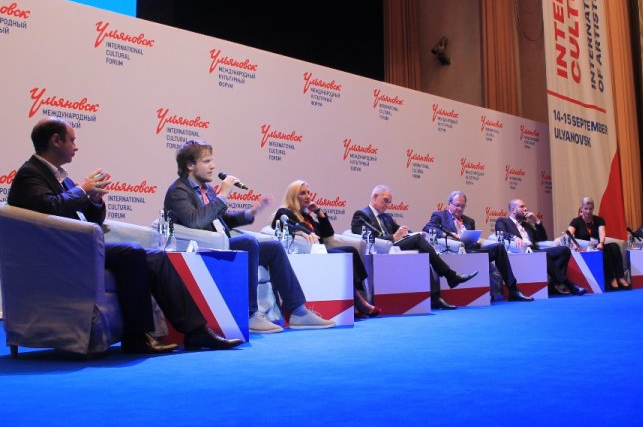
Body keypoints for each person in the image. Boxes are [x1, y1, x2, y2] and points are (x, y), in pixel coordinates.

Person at [8, 117, 242, 352]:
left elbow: (91, 219)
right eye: (72, 140)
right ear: (55, 141)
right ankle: (136, 338)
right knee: (132, 253)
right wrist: (81, 190)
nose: (76, 147)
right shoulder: (30, 173)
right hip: (56, 254)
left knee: (157, 258)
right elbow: (48, 207)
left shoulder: (63, 178)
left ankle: (196, 332)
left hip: (80, 247)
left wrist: (94, 200)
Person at [164, 140, 335, 332]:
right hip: (200, 249)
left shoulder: (207, 190)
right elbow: (194, 221)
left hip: (221, 243)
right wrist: (223, 195)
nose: (213, 166)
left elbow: (219, 220)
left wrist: (251, 212)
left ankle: (298, 312)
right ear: (190, 165)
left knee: (273, 247)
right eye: (207, 161)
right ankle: (250, 314)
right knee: (248, 243)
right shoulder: (179, 191)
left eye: (212, 160)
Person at [350, 184, 478, 310]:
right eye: (386, 201)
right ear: (374, 197)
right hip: (378, 250)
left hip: (393, 248)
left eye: (390, 202)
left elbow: (402, 231)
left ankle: (435, 297)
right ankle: (450, 276)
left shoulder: (386, 217)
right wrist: (393, 237)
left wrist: (414, 233)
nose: (388, 205)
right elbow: (368, 238)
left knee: (421, 248)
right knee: (418, 240)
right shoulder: (361, 215)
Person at [272, 180, 381, 317]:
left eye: (308, 193)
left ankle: (357, 300)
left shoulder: (306, 216)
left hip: (319, 250)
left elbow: (328, 233)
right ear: (293, 196)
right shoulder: (284, 212)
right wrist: (300, 232)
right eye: (303, 193)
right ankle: (359, 303)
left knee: (351, 250)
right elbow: (279, 227)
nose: (308, 196)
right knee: (343, 255)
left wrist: (319, 212)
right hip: (306, 254)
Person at [423, 191, 533, 302]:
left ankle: (513, 290)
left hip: (472, 249)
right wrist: (448, 234)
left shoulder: (469, 221)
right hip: (454, 250)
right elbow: (428, 227)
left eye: (463, 206)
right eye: (457, 205)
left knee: (499, 248)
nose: (460, 209)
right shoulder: (440, 216)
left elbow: (473, 240)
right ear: (449, 204)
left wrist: (476, 241)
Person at [496, 198, 587, 295]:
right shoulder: (503, 221)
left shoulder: (526, 225)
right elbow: (500, 233)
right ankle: (569, 285)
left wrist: (536, 220)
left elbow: (542, 238)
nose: (525, 209)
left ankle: (553, 284)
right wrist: (514, 237)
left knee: (564, 250)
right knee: (543, 255)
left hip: (534, 251)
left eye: (525, 206)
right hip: (522, 252)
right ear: (514, 210)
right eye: (522, 207)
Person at [567, 197, 630, 291]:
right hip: (584, 249)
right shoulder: (576, 221)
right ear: (581, 209)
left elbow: (602, 233)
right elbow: (568, 234)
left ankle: (620, 277)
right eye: (586, 209)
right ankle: (611, 278)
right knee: (605, 254)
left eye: (590, 209)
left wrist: (601, 243)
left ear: (593, 209)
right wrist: (574, 244)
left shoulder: (599, 220)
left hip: (597, 246)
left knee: (614, 246)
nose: (588, 211)